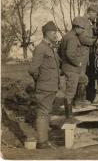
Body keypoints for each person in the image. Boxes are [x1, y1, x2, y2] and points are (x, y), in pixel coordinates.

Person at [29, 21, 60, 149]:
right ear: (47, 33)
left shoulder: (50, 48)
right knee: (43, 113)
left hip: (51, 87)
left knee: (46, 113)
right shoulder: (41, 48)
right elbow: (32, 69)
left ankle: (45, 140)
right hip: (44, 87)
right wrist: (41, 80)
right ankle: (41, 142)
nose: (56, 35)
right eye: (54, 32)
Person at [59, 17, 88, 120]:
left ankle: (79, 101)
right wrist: (78, 63)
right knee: (70, 91)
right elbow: (70, 54)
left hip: (68, 67)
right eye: (81, 28)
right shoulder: (72, 38)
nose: (82, 30)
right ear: (76, 27)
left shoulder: (66, 36)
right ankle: (69, 116)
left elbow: (59, 52)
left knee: (84, 79)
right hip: (72, 69)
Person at [79, 4, 98, 103]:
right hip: (82, 55)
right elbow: (83, 39)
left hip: (88, 55)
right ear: (91, 12)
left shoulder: (88, 23)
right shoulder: (82, 22)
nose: (96, 17)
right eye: (95, 14)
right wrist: (95, 41)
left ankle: (86, 98)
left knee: (88, 77)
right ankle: (79, 100)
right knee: (81, 77)